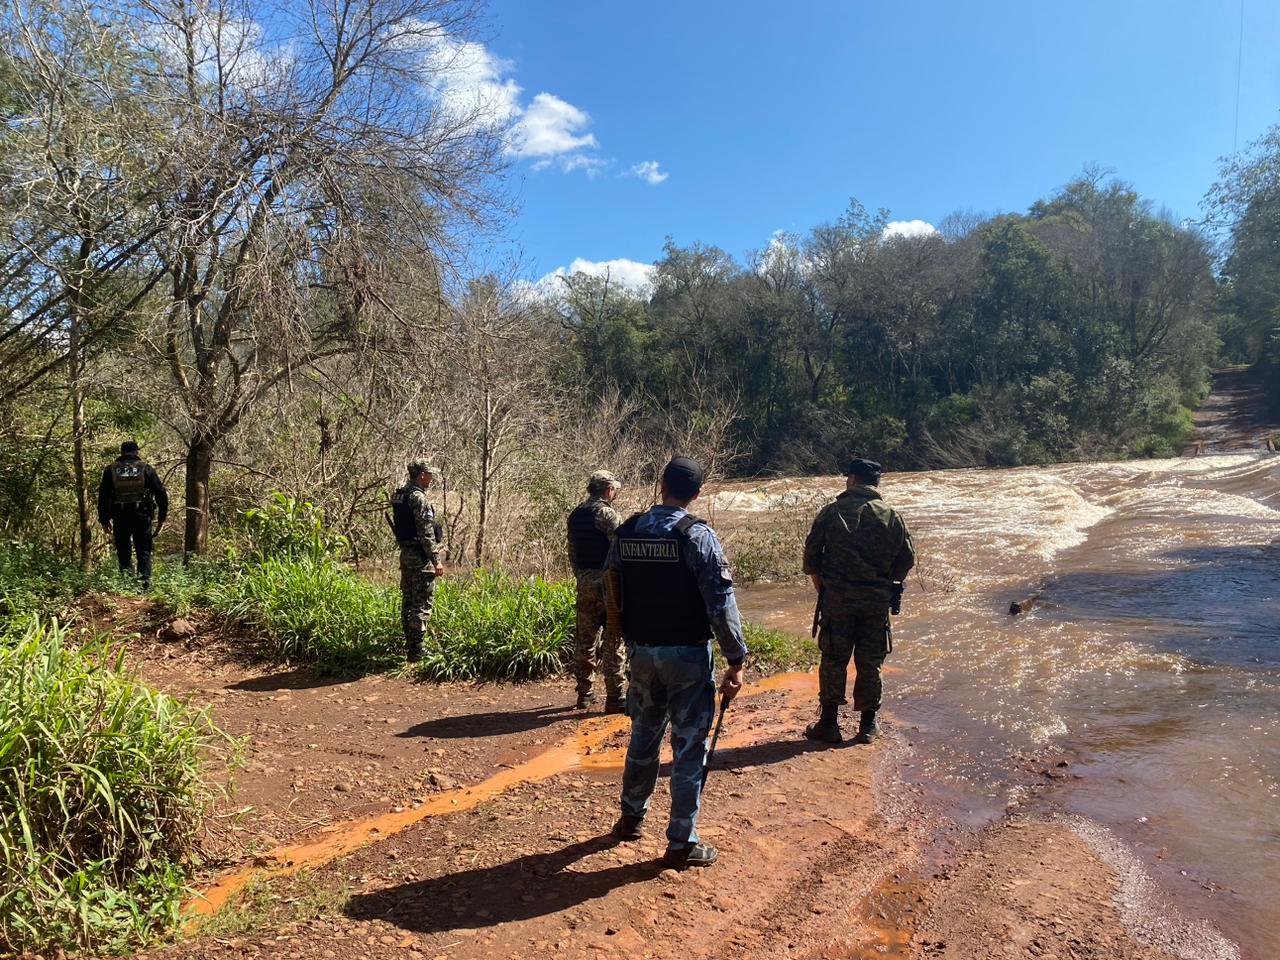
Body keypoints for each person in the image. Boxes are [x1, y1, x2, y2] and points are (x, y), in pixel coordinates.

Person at [604, 456, 746, 869]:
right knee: (688, 747)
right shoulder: (697, 535)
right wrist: (736, 659)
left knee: (643, 736)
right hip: (687, 656)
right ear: (696, 494)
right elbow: (720, 604)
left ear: (661, 484)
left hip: (642, 653)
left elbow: (611, 586)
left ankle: (631, 817)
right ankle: (682, 841)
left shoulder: (627, 531)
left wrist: (619, 636)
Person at [802, 456, 915, 745]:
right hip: (875, 602)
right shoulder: (892, 516)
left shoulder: (832, 512)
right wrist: (886, 582)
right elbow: (906, 559)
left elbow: (811, 557)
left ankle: (829, 724)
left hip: (837, 600)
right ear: (876, 482)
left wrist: (822, 585)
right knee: (870, 660)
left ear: (852, 479)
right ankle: (868, 725)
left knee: (833, 658)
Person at [566, 469, 624, 711]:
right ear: (608, 490)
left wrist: (581, 577)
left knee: (585, 639)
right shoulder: (606, 514)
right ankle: (615, 696)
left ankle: (585, 694)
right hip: (607, 585)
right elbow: (620, 549)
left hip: (584, 583)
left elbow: (572, 552)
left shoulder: (576, 515)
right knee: (613, 640)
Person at [390, 460, 444, 663]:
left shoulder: (399, 495)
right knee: (421, 602)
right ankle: (417, 649)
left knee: (408, 601)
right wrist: (436, 560)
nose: (431, 478)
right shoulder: (418, 498)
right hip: (419, 557)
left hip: (406, 554)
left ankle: (410, 646)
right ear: (421, 475)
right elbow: (426, 533)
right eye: (429, 474)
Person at [97, 440, 168, 590]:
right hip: (142, 515)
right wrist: (162, 517)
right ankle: (143, 586)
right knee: (143, 549)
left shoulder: (111, 470)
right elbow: (161, 493)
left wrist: (104, 520)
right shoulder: (145, 468)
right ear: (136, 452)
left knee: (123, 549)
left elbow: (103, 496)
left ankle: (127, 584)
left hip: (120, 515)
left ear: (122, 452)